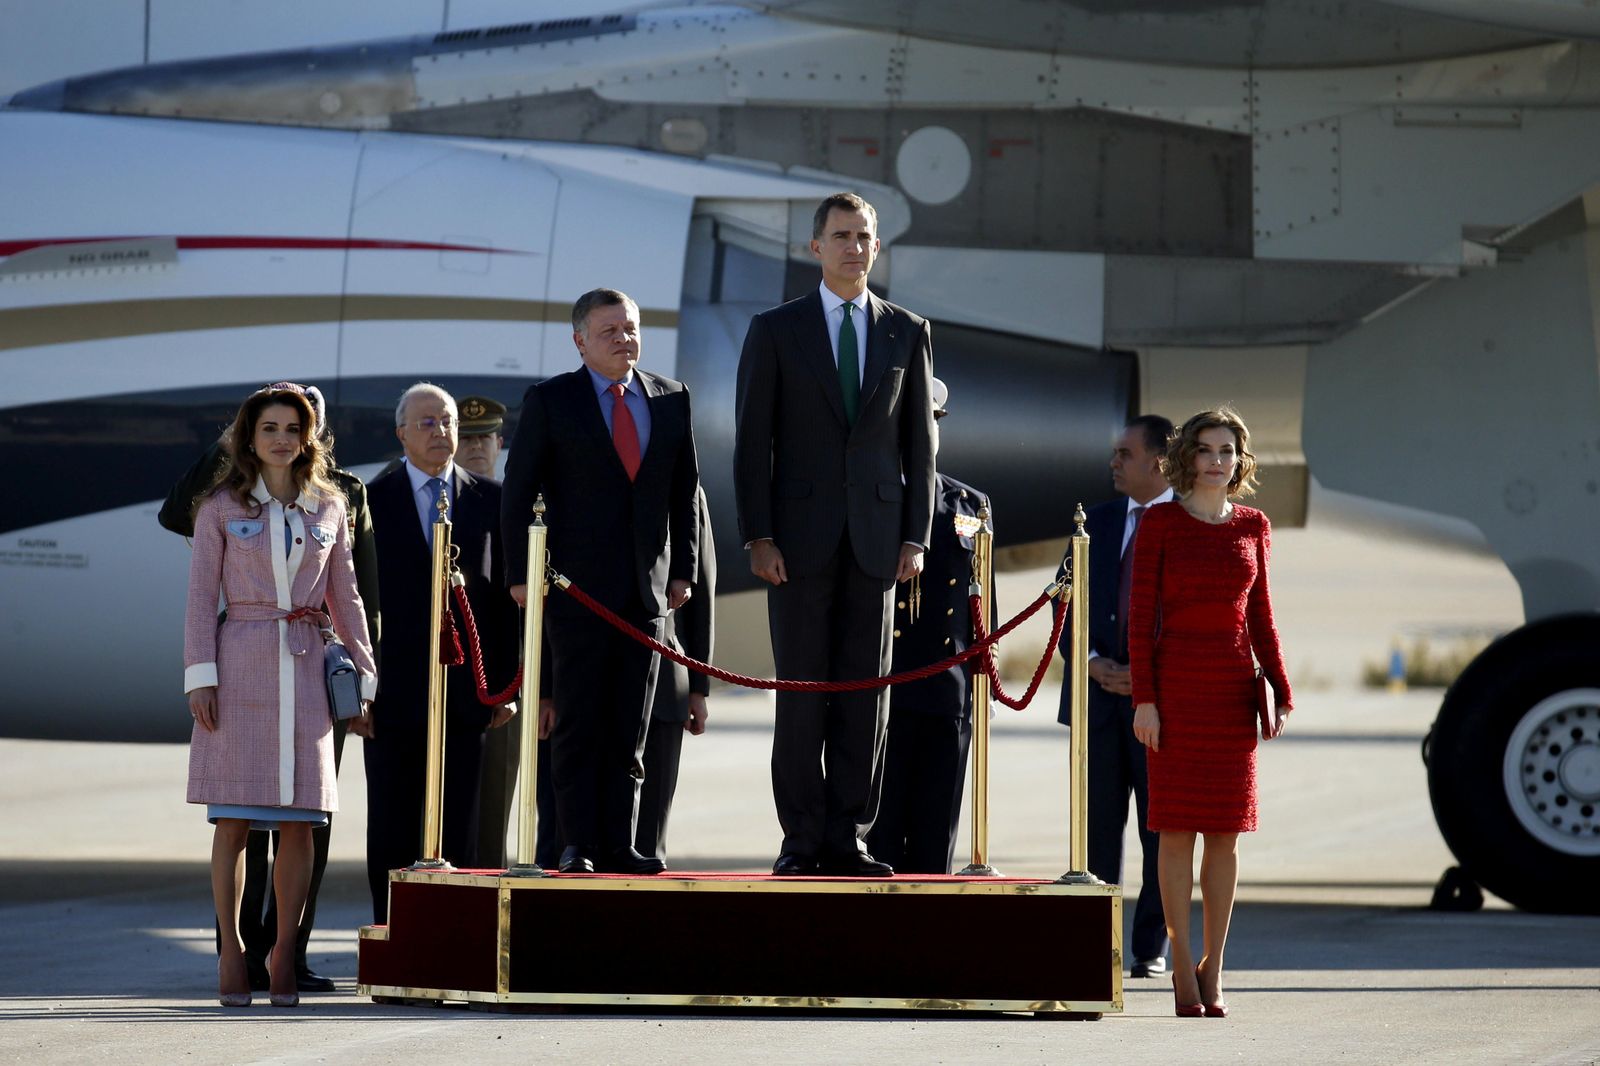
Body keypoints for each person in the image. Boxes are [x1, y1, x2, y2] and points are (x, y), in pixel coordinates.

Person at [733, 191, 936, 877]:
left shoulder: (906, 330)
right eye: (841, 235)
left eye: (864, 236)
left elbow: (921, 450)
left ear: (878, 248)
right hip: (796, 545)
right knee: (802, 696)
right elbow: (751, 443)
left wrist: (916, 537)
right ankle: (801, 840)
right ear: (814, 246)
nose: (854, 246)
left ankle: (849, 835)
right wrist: (758, 536)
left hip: (877, 545)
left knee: (864, 698)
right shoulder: (776, 329)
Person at [161, 384, 378, 994]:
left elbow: (348, 597)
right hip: (241, 664)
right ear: (248, 440)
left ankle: (284, 954)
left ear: (308, 438)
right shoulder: (219, 509)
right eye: (269, 429)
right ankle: (231, 952)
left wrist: (364, 672)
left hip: (308, 666)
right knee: (231, 820)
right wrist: (199, 676)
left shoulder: (330, 506)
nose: (282, 439)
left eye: (292, 428)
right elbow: (201, 600)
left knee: (302, 821)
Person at [501, 288, 701, 875]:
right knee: (578, 723)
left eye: (632, 329)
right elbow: (519, 490)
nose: (624, 340)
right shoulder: (551, 400)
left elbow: (684, 492)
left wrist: (684, 569)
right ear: (580, 340)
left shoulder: (669, 398)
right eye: (610, 331)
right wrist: (520, 574)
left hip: (646, 594)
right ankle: (575, 842)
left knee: (629, 729)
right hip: (574, 591)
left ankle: (620, 842)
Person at [1128, 406, 1293, 1019]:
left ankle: (1215, 967)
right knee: (1174, 833)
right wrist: (1145, 699)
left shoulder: (1253, 524)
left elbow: (1262, 617)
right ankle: (1179, 964)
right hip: (1174, 691)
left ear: (1240, 459)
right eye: (1206, 450)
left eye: (1228, 451)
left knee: (1225, 832)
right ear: (1186, 458)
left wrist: (1277, 686)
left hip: (1230, 691)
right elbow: (1141, 621)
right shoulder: (1161, 523)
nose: (1218, 461)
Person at [363, 383, 519, 921]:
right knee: (392, 824)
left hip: (467, 695)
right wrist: (360, 691)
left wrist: (503, 687)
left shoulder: (493, 501)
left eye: (447, 422)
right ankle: (396, 939)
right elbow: (351, 601)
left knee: (463, 827)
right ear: (401, 432)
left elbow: (505, 604)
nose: (441, 432)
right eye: (426, 423)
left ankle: (460, 942)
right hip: (390, 695)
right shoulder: (369, 502)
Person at [1057, 414, 1175, 979]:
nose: (1113, 462)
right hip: (1098, 706)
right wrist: (1089, 663)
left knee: (1162, 835)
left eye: (1124, 454)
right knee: (1096, 834)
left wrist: (1151, 674)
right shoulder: (1094, 524)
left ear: (1158, 460)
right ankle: (1092, 946)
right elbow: (1061, 606)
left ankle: (1149, 946)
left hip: (1161, 711)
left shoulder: (1185, 524)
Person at [866, 379, 988, 875]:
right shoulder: (870, 496)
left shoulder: (969, 504)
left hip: (946, 687)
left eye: (929, 424)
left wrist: (983, 683)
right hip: (882, 685)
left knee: (937, 835)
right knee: (880, 836)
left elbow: (981, 602)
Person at [454, 395, 520, 868]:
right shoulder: (439, 503)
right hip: (445, 677)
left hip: (500, 685)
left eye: (486, 438)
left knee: (493, 806)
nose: (477, 447)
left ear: (500, 443)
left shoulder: (515, 509)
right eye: (468, 438)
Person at [635, 485, 715, 864]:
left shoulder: (685, 491)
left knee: (649, 841)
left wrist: (698, 688)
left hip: (666, 681)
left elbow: (701, 596)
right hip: (594, 681)